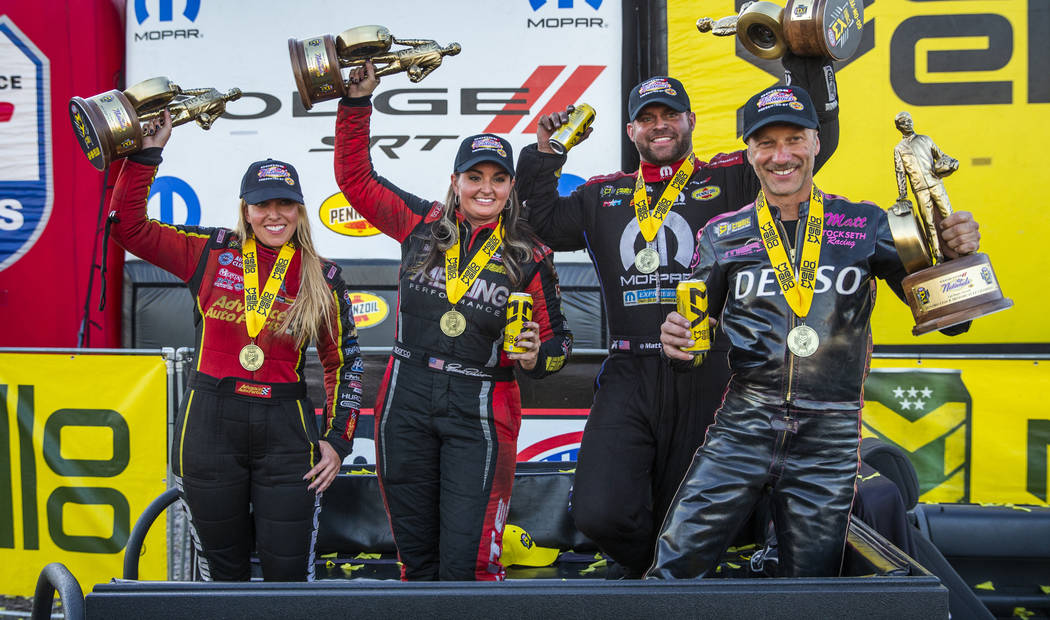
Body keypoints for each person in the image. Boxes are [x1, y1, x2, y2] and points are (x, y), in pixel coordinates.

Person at [514, 54, 841, 578]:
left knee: (693, 508)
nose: (659, 125)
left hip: (709, 369)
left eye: (670, 115)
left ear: (691, 121)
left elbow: (807, 142)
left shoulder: (731, 181)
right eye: (647, 117)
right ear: (631, 130)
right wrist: (546, 152)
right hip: (628, 372)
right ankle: (658, 572)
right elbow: (544, 224)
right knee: (599, 509)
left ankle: (673, 587)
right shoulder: (603, 194)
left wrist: (807, 59)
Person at [648, 84, 981, 578]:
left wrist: (959, 255)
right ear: (750, 152)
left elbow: (956, 323)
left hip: (830, 434)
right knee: (674, 567)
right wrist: (676, 339)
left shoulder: (868, 225)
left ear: (816, 142)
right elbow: (693, 335)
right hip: (744, 423)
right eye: (766, 143)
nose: (781, 156)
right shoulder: (721, 234)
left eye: (793, 139)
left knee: (812, 585)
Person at [332, 61, 573, 581]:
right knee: (415, 561)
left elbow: (557, 346)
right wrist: (355, 105)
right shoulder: (418, 225)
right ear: (456, 181)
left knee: (470, 564)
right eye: (475, 176)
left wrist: (537, 356)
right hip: (407, 397)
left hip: (482, 406)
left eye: (498, 178)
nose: (485, 188)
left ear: (511, 186)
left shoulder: (531, 255)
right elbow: (354, 180)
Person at [109, 110, 361, 582]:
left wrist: (338, 439)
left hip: (287, 435)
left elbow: (343, 363)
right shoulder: (209, 251)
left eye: (285, 204)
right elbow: (127, 227)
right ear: (245, 208)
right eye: (263, 204)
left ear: (299, 210)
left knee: (289, 577)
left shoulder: (322, 276)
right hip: (210, 429)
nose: (274, 215)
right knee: (221, 576)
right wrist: (146, 155)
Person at [893, 110, 958, 262]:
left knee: (949, 215)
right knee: (929, 223)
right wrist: (903, 194)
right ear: (898, 127)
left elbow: (942, 156)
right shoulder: (899, 148)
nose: (907, 123)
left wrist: (950, 166)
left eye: (909, 120)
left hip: (936, 183)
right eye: (903, 122)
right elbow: (900, 172)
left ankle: (959, 251)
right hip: (920, 189)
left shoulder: (926, 139)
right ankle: (938, 256)